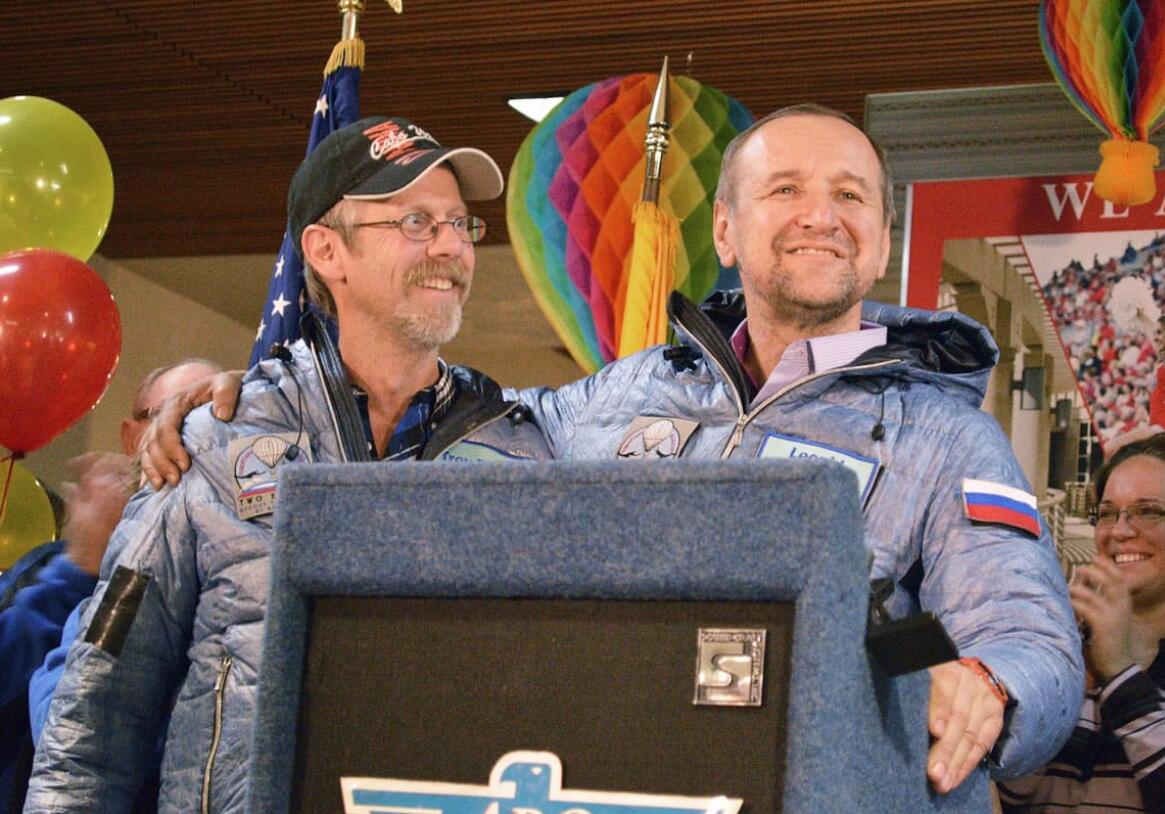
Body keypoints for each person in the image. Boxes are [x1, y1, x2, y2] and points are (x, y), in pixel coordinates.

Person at [140, 104, 1083, 794]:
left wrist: (993, 681)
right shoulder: (612, 399)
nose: (819, 214)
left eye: (851, 195)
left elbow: (1033, 634)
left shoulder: (947, 436)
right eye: (784, 189)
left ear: (881, 240)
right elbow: (444, 423)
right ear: (725, 228)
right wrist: (242, 394)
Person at [25, 116, 550, 814]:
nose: (452, 245)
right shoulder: (209, 444)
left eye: (460, 223)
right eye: (417, 222)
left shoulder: (525, 445)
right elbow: (94, 719)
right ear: (327, 250)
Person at [1, 358, 219, 813]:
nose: (191, 436)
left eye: (209, 417)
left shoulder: (226, 583)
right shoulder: (50, 568)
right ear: (130, 437)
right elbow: (66, 722)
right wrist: (80, 570)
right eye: (170, 415)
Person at [997, 433, 1165, 812]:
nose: (1119, 531)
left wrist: (1121, 677)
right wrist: (1063, 676)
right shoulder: (1063, 656)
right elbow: (1008, 798)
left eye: (1149, 511)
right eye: (1107, 513)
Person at [1104, 298, 1165, 457]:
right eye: (1156, 332)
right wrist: (1139, 312)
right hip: (1158, 426)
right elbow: (1150, 329)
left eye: (1160, 332)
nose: (1155, 337)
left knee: (1110, 448)